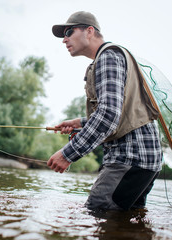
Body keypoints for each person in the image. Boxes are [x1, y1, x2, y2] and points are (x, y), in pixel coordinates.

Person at [47, 11, 163, 210]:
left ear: (89, 31)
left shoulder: (107, 57)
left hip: (130, 157)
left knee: (98, 211)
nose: (64, 39)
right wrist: (80, 123)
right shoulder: (111, 56)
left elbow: (108, 116)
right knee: (126, 225)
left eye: (69, 31)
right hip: (144, 159)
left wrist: (68, 154)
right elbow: (121, 112)